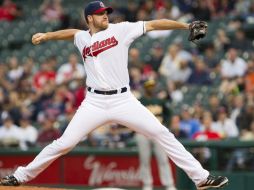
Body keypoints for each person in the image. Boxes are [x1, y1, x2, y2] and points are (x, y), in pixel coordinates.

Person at [0, 1, 228, 189]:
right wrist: (48, 36)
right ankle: (20, 176)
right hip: (94, 102)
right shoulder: (82, 38)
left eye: (106, 12)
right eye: (100, 14)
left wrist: (185, 25)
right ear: (89, 18)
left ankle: (201, 177)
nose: (105, 16)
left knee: (161, 132)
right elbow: (72, 33)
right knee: (64, 143)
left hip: (123, 100)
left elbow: (154, 24)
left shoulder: (121, 29)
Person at [135, 79, 175, 190]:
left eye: (152, 86)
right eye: (148, 86)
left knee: (163, 159)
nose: (151, 88)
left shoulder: (160, 101)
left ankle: (169, 184)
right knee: (144, 159)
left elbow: (169, 115)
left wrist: (165, 126)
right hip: (143, 133)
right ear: (145, 88)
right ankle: (147, 184)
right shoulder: (140, 101)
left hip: (158, 133)